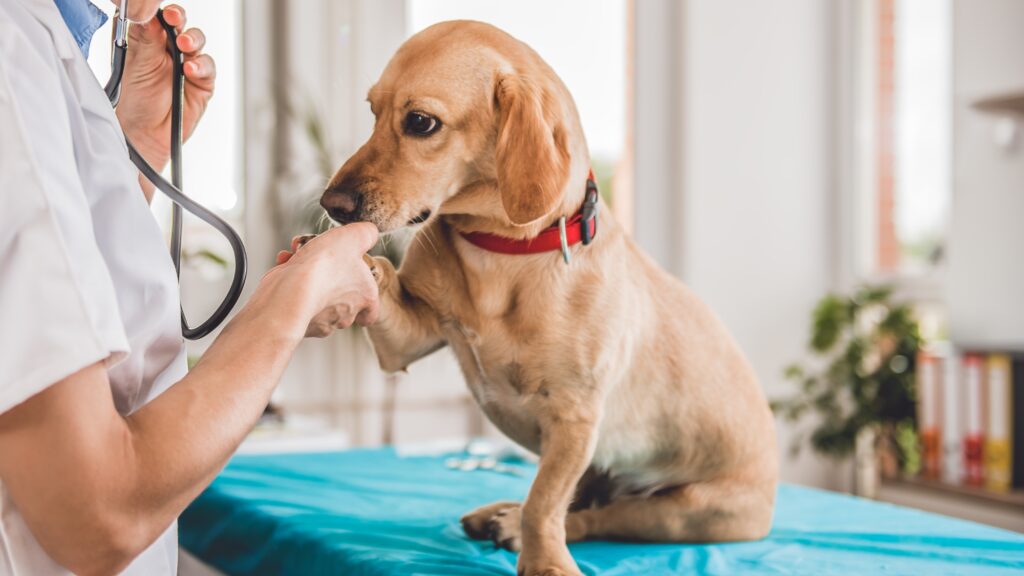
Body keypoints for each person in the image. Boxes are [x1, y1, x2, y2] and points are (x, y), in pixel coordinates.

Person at [0, 0, 380, 573]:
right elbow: (97, 517)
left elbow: (51, 307)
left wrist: (132, 152)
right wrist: (290, 303)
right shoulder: (12, 51)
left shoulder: (45, 45)